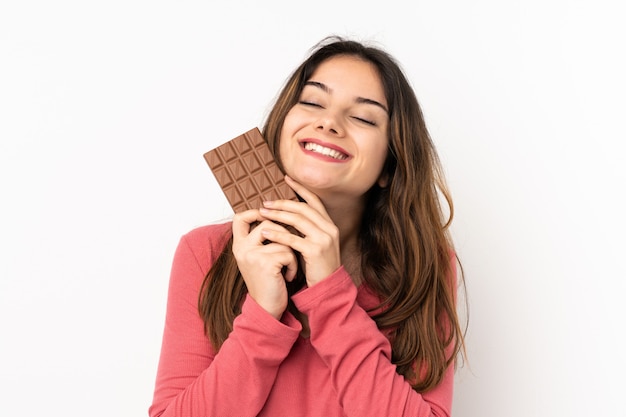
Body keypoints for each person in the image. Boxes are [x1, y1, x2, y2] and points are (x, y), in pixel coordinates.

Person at [149, 36, 466, 417]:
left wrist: (331, 296)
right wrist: (264, 313)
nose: (328, 122)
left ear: (388, 166)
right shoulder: (205, 253)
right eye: (313, 102)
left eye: (364, 117)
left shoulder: (423, 267)